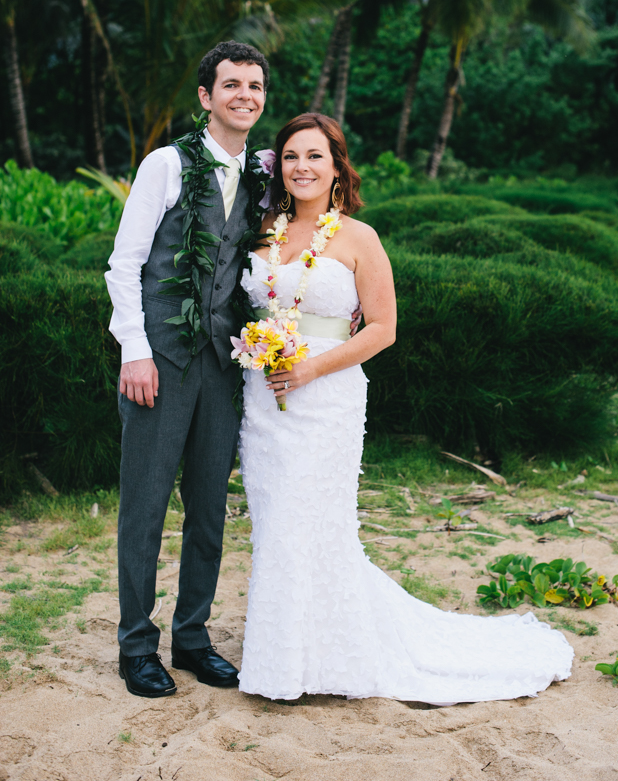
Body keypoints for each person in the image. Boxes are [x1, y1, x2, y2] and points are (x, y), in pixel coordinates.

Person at [237, 113, 574, 704]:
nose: (302, 168)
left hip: (327, 395)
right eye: (291, 157)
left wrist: (311, 367)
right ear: (278, 167)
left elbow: (384, 329)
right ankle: (284, 658)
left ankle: (330, 657)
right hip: (264, 399)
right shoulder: (260, 228)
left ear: (337, 166)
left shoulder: (359, 238)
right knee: (276, 525)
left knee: (316, 521)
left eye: (315, 156)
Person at [106, 40, 272, 699]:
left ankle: (194, 638)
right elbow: (125, 263)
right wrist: (135, 349)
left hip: (224, 364)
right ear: (206, 96)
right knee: (144, 505)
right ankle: (135, 646)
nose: (244, 95)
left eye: (254, 86)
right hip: (161, 360)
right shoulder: (164, 165)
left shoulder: (261, 176)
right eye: (231, 84)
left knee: (208, 507)